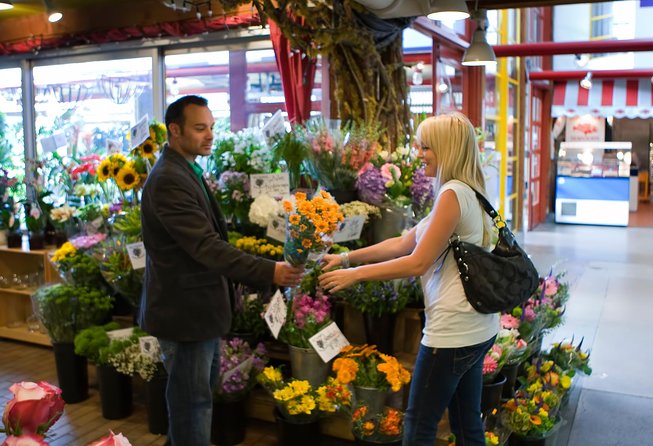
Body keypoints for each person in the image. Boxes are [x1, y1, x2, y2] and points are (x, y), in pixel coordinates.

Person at [319, 112, 499, 446]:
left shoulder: (452, 195)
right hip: (478, 328)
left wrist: (354, 276)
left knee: (418, 426)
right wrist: (345, 256)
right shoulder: (467, 191)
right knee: (466, 423)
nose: (419, 153)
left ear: (445, 149)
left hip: (452, 333)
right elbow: (404, 242)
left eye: (426, 147)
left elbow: (416, 262)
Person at [139, 95, 303, 446]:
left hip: (197, 311)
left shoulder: (185, 168)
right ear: (174, 130)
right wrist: (269, 271)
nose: (209, 135)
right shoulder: (169, 178)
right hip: (184, 314)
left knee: (194, 399)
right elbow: (206, 247)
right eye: (200, 128)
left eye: (211, 127)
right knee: (192, 404)